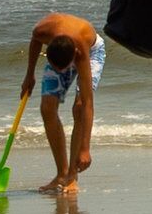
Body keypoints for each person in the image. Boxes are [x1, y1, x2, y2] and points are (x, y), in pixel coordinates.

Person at [17, 10, 103, 196]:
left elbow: (88, 103)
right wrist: (29, 75)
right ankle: (61, 174)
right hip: (61, 50)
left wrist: (85, 149)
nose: (62, 72)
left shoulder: (80, 52)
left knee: (79, 107)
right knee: (47, 107)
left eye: (63, 69)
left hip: (92, 51)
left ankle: (72, 177)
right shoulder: (41, 30)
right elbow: (35, 42)